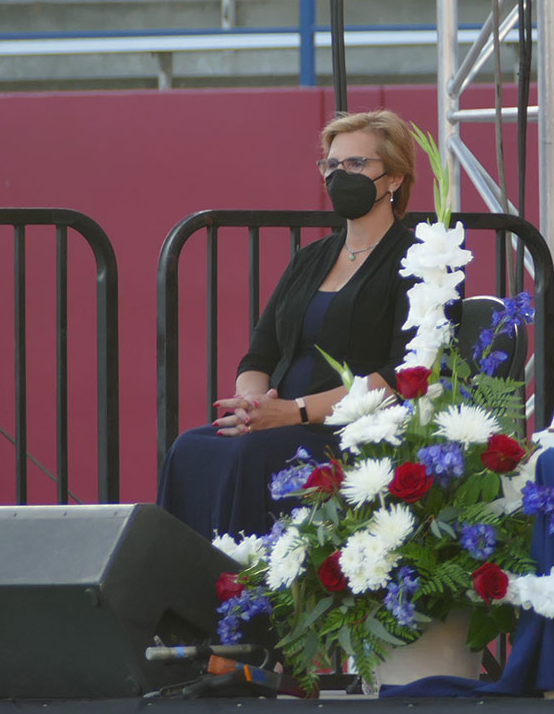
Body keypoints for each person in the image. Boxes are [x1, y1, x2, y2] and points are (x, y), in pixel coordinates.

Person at [156, 110, 418, 539]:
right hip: (277, 422)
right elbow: (261, 354)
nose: (340, 175)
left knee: (253, 454)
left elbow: (403, 376)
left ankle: (243, 592)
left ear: (393, 178)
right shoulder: (310, 259)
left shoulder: (417, 259)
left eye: (356, 165)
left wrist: (294, 413)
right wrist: (252, 406)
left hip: (349, 433)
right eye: (331, 165)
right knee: (190, 449)